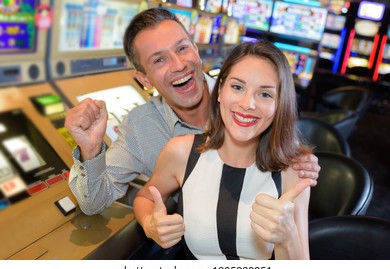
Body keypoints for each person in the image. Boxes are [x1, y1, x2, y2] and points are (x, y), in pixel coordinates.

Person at [64, 8, 319, 216]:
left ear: (196, 50)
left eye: (182, 48)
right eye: (159, 60)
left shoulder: (245, 99)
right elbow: (93, 202)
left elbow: (290, 159)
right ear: (144, 79)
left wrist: (301, 162)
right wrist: (90, 149)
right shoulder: (141, 127)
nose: (179, 65)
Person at [133, 39, 313, 260]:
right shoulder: (181, 152)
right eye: (237, 87)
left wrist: (289, 236)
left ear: (279, 104)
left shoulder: (294, 172)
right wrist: (150, 224)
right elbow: (146, 196)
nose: (248, 104)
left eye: (265, 94)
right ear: (219, 91)